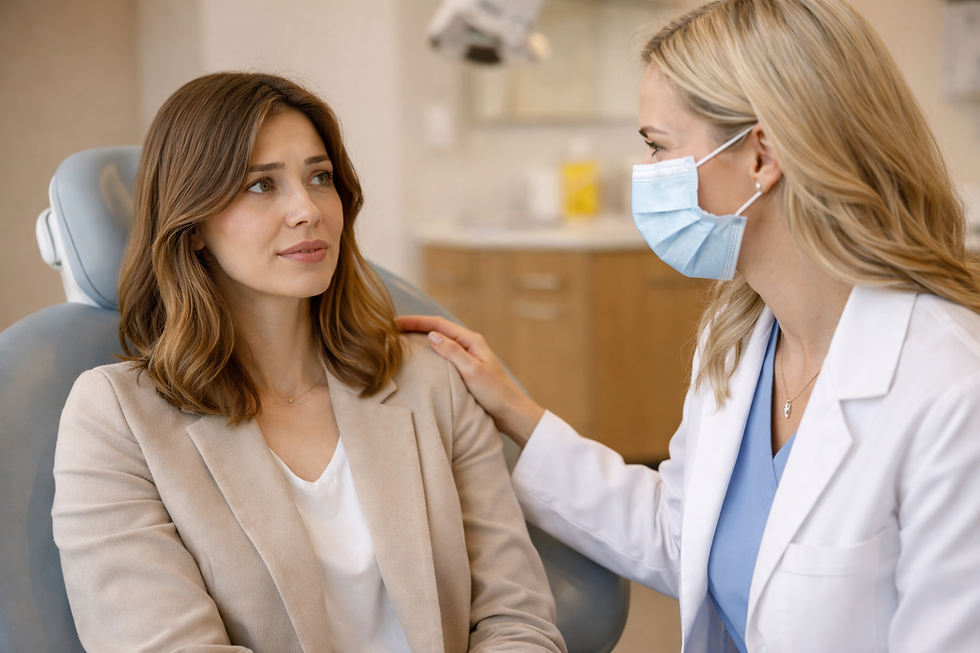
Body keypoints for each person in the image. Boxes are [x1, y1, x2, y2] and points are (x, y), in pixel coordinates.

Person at [398, 0, 980, 651]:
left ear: (761, 155)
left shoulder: (951, 390)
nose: (646, 175)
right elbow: (685, 536)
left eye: (659, 146)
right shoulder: (741, 341)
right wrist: (518, 415)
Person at [51, 72, 565, 653]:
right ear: (191, 227)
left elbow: (517, 621)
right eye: (260, 186)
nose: (307, 209)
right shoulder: (115, 419)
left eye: (320, 178)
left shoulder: (429, 381)